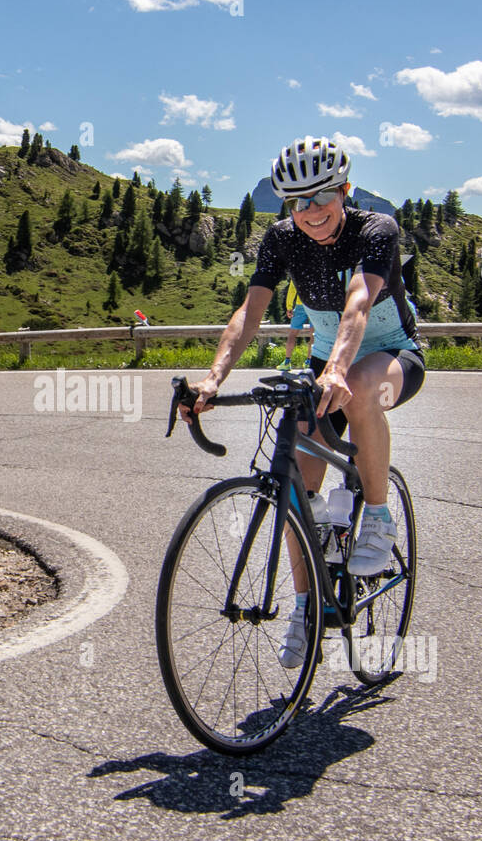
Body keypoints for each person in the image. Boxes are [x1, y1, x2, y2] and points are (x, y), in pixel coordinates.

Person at [178, 136, 424, 668]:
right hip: (323, 364)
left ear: (345, 190)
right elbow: (250, 310)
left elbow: (359, 300)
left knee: (357, 388)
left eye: (321, 198)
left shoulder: (374, 229)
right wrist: (213, 379)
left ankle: (378, 516)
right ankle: (306, 605)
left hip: (390, 356)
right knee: (294, 484)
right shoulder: (282, 239)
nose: (311, 212)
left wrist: (337, 369)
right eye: (298, 202)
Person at [277, 281, 311, 370]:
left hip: (300, 304)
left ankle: (287, 362)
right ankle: (309, 361)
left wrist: (289, 307)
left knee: (292, 334)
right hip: (315, 305)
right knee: (314, 335)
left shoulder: (298, 269)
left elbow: (292, 289)